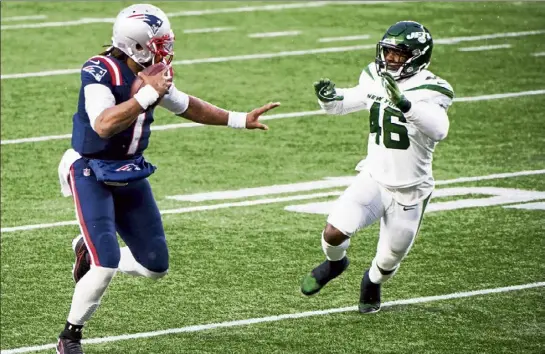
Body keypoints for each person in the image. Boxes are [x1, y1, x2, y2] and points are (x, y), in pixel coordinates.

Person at [56, 4, 279, 353]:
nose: (166, 51)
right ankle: (70, 336)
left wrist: (239, 119)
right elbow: (102, 124)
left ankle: (86, 248)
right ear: (136, 45)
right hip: (89, 169)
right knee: (105, 267)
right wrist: (147, 94)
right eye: (159, 44)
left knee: (155, 266)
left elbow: (186, 104)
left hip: (129, 171)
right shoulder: (100, 69)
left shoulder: (152, 75)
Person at [300, 21, 454, 313]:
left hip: (410, 190)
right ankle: (335, 264)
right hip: (373, 177)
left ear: (418, 56)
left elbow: (439, 129)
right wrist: (328, 99)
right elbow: (345, 103)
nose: (391, 59)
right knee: (333, 232)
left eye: (399, 54)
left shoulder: (433, 89)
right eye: (388, 52)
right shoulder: (375, 76)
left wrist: (405, 104)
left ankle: (371, 281)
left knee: (388, 260)